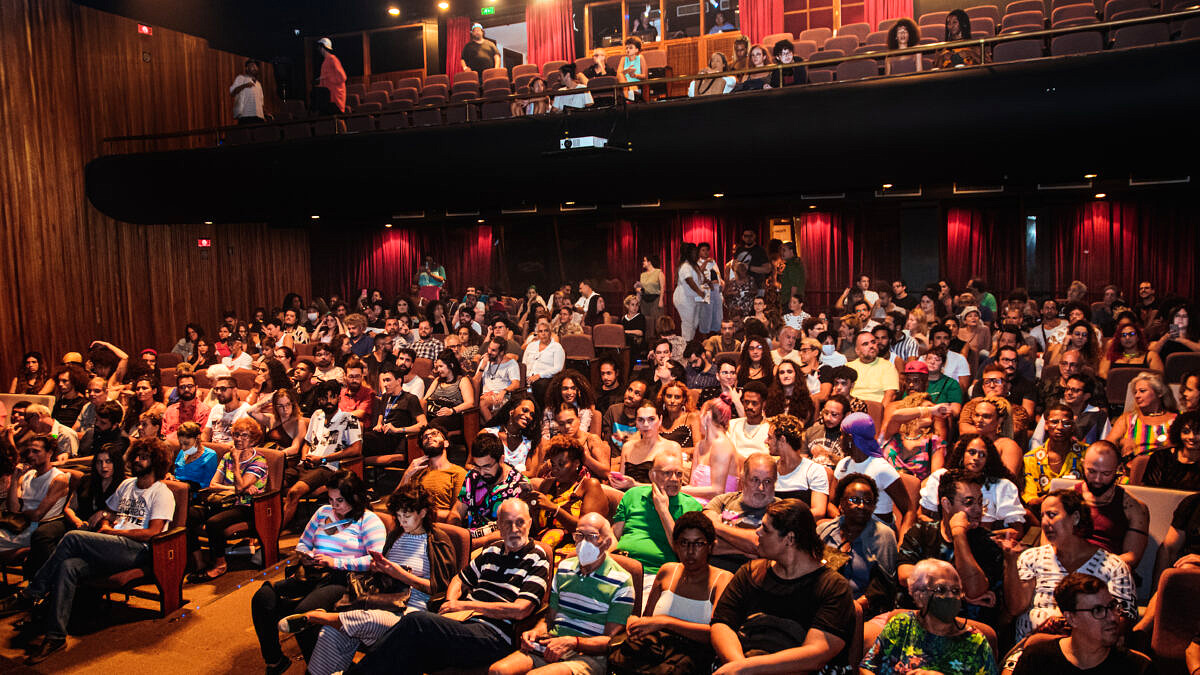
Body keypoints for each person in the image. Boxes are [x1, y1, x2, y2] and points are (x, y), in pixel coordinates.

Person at [0, 440, 175, 663]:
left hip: (138, 550)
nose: (138, 461)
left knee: (73, 538)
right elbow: (109, 512)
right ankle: (55, 636)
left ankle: (31, 593)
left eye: (145, 457)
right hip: (113, 543)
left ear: (156, 462)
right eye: (137, 457)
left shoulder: (161, 493)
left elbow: (153, 533)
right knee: (67, 566)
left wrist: (112, 534)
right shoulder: (127, 484)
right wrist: (104, 524)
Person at [347, 498, 549, 674]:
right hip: (463, 624)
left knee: (415, 622)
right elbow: (459, 579)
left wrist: (464, 606)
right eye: (507, 523)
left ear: (530, 523)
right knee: (408, 651)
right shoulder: (492, 550)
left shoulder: (537, 558)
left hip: (494, 635)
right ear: (499, 526)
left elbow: (521, 610)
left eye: (520, 522)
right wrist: (451, 602)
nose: (514, 529)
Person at [298, 484, 460, 675]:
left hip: (412, 613)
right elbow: (383, 574)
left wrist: (399, 573)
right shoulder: (396, 536)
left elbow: (440, 588)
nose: (402, 522)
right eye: (398, 517)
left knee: (368, 620)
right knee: (331, 633)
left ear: (423, 512)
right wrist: (378, 568)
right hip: (383, 600)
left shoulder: (436, 541)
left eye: (407, 516)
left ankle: (321, 617)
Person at [252, 471, 384, 672]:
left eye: (340, 500)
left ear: (355, 497)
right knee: (262, 597)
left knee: (303, 614)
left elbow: (375, 562)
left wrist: (335, 561)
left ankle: (320, 668)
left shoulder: (368, 520)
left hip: (345, 579)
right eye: (331, 499)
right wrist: (305, 554)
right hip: (312, 572)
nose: (335, 506)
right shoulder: (323, 512)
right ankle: (275, 660)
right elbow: (304, 542)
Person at [709, 498, 856, 675]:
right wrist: (738, 665)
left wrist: (750, 668)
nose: (757, 533)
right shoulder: (751, 573)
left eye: (765, 529)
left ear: (790, 539)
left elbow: (817, 653)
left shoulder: (833, 586)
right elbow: (722, 623)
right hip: (742, 662)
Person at [489, 512, 633, 675]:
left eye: (592, 536)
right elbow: (550, 618)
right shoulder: (564, 568)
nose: (584, 542)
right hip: (551, 645)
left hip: (588, 656)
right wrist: (536, 632)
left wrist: (574, 642)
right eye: (579, 535)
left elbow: (610, 641)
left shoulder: (621, 581)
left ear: (607, 543)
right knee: (498, 671)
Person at [1003, 489, 1136, 642]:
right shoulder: (1031, 558)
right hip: (1030, 647)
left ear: (1075, 518)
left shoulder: (1113, 567)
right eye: (1042, 516)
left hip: (1088, 651)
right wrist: (1011, 562)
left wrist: (1070, 627)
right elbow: (1016, 607)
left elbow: (1121, 621)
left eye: (1052, 515)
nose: (1045, 523)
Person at [895, 469, 1005, 623]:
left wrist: (959, 534)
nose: (978, 509)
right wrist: (960, 593)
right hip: (921, 620)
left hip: (967, 627)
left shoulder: (987, 542)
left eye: (980, 502)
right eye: (969, 502)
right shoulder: (920, 532)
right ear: (946, 504)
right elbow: (905, 575)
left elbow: (975, 590)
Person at [862, 559, 997, 675]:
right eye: (941, 590)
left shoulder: (975, 641)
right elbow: (866, 668)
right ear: (920, 596)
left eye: (956, 591)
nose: (950, 596)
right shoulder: (902, 624)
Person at [1011, 572, 1153, 675]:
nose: (1112, 618)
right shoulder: (1037, 659)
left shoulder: (1137, 668)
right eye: (1098, 610)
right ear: (1071, 618)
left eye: (1112, 606)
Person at [613, 448, 703, 599]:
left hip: (654, 574)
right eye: (667, 473)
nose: (674, 479)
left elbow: (683, 550)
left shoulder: (692, 507)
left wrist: (663, 510)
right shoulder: (632, 495)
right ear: (652, 475)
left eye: (679, 474)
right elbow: (615, 535)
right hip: (620, 567)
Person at [188, 417, 269, 581]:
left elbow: (240, 487)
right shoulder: (227, 457)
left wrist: (237, 462)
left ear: (253, 439)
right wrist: (237, 489)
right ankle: (199, 561)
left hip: (247, 507)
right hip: (224, 502)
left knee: (214, 523)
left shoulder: (259, 461)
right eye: (237, 435)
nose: (239, 439)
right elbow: (214, 484)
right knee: (188, 514)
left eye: (245, 436)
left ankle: (220, 564)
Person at [282, 380, 363, 527]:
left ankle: (275, 532)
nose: (329, 401)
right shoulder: (317, 415)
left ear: (339, 398)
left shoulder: (349, 419)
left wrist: (323, 459)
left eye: (332, 397)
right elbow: (307, 442)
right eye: (324, 398)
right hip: (306, 464)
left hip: (327, 468)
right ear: (319, 400)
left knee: (294, 492)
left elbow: (356, 449)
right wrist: (304, 457)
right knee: (275, 485)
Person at [818, 474, 898, 617]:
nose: (862, 506)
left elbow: (884, 586)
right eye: (854, 500)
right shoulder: (825, 531)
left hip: (864, 610)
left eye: (868, 501)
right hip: (824, 605)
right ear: (841, 503)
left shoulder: (884, 536)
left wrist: (854, 607)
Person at [921, 434, 1026, 532]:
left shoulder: (1002, 486)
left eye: (982, 455)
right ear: (962, 455)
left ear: (988, 460)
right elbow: (921, 515)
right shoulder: (941, 477)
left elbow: (1017, 530)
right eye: (972, 452)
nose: (976, 458)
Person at [1074, 440, 1150, 570]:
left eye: (1106, 474)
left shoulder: (1134, 507)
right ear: (1082, 465)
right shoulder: (1066, 498)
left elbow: (1132, 557)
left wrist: (1092, 566)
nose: (1097, 479)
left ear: (1118, 469)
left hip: (1107, 571)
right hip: (1068, 564)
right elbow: (1048, 544)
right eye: (1092, 471)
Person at [834, 412, 912, 532]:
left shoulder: (881, 469)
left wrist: (903, 543)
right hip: (850, 526)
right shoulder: (844, 464)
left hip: (878, 533)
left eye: (842, 435)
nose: (839, 439)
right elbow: (832, 502)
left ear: (850, 438)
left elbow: (909, 510)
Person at [452, 432, 532, 547]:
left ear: (501, 460)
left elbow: (512, 529)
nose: (482, 472)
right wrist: (455, 535)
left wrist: (473, 544)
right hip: (468, 540)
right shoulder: (473, 476)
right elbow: (457, 512)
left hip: (500, 545)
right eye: (478, 466)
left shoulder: (518, 484)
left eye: (487, 467)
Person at [0, 436, 70, 561]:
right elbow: (12, 508)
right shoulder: (28, 475)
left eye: (36, 451)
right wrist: (15, 479)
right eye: (29, 451)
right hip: (17, 525)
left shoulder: (58, 479)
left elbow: (37, 515)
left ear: (49, 453)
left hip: (36, 528)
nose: (30, 455)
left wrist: (20, 513)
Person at [399, 426, 468, 521]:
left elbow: (458, 514)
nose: (429, 437)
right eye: (425, 437)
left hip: (441, 526)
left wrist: (424, 514)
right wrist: (407, 475)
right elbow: (395, 504)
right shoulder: (417, 472)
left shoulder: (458, 473)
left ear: (446, 443)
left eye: (434, 434)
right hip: (413, 523)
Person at [1104, 371, 1176, 460]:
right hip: (1133, 468)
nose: (1137, 395)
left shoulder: (1176, 419)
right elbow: (1106, 445)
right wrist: (1121, 442)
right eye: (1135, 392)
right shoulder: (1128, 419)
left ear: (1159, 393)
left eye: (1142, 391)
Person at [611, 399, 683, 488]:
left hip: (657, 498)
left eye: (651, 419)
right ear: (636, 423)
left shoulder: (672, 447)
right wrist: (615, 481)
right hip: (628, 497)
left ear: (660, 420)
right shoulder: (628, 446)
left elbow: (675, 487)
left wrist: (634, 485)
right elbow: (621, 482)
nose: (645, 424)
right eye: (640, 420)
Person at [683, 395, 740, 501]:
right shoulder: (700, 446)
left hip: (717, 506)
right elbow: (692, 487)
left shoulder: (722, 444)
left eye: (701, 414)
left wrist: (679, 490)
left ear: (707, 416)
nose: (698, 418)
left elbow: (718, 491)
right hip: (694, 502)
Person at [1141, 410, 1200, 489]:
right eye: (1186, 432)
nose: (1191, 437)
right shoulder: (1161, 457)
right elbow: (1148, 491)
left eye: (1197, 432)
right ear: (1178, 433)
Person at [474, 336, 522, 423]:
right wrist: (482, 366)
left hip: (502, 396)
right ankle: (493, 427)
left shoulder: (511, 363)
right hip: (486, 395)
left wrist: (503, 391)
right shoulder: (485, 361)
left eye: (493, 350)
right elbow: (475, 382)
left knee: (482, 403)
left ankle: (492, 427)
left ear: (501, 352)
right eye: (489, 348)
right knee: (481, 402)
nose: (489, 352)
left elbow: (516, 384)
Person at [847, 331, 899, 406]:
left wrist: (879, 414)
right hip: (852, 410)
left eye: (873, 342)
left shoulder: (887, 366)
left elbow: (890, 395)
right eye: (865, 344)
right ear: (857, 350)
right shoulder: (848, 367)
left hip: (876, 409)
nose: (871, 346)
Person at [1099, 322, 1164, 380]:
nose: (1127, 338)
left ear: (1138, 337)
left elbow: (1159, 377)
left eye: (1131, 334)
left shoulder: (1151, 356)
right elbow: (1102, 375)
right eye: (1123, 335)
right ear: (1119, 339)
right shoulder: (1110, 356)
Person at [601, 379, 648, 457]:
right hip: (612, 460)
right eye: (629, 390)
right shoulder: (613, 410)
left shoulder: (645, 418)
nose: (630, 395)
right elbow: (605, 441)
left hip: (635, 460)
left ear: (643, 400)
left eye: (637, 393)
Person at [523, 318, 565, 404]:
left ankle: (540, 412)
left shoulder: (557, 347)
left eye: (546, 331)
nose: (543, 334)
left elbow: (558, 368)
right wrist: (526, 376)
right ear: (537, 333)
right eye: (540, 331)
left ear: (550, 333)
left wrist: (540, 375)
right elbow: (524, 363)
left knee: (540, 386)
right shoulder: (531, 346)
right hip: (528, 377)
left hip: (546, 378)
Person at [805, 394, 851, 469]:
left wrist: (826, 454)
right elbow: (801, 461)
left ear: (846, 415)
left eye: (834, 415)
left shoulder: (849, 439)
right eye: (826, 413)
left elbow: (849, 467)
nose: (828, 418)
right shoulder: (811, 431)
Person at [170, 421, 219, 491]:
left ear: (198, 438)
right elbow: (176, 473)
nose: (183, 448)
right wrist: (170, 477)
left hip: (193, 494)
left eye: (186, 444)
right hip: (176, 490)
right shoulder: (182, 452)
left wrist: (186, 486)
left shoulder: (210, 455)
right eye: (181, 444)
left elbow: (207, 485)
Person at [636, 255, 666, 339]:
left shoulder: (659, 272)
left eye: (644, 261)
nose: (643, 262)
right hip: (644, 300)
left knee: (657, 321)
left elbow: (663, 287)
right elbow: (642, 288)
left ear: (649, 262)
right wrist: (638, 290)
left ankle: (659, 340)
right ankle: (648, 343)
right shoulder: (643, 275)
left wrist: (661, 300)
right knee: (646, 322)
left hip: (655, 299)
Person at [229, 58, 265, 124]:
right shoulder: (241, 78)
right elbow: (232, 92)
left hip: (259, 117)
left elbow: (261, 102)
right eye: (252, 65)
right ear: (247, 68)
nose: (254, 68)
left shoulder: (259, 84)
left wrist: (264, 114)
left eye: (256, 66)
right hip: (246, 116)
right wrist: (244, 85)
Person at [617, 36, 646, 101]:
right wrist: (626, 71)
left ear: (637, 49)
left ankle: (627, 98)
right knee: (620, 75)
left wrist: (635, 75)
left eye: (630, 48)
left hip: (636, 85)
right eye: (626, 48)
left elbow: (644, 76)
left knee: (632, 86)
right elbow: (618, 74)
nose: (628, 50)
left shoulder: (640, 58)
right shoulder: (623, 59)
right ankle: (627, 97)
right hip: (624, 86)